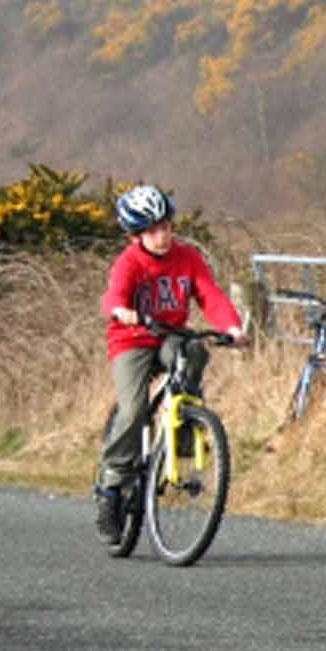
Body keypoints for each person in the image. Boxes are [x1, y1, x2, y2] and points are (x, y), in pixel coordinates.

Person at [95, 183, 244, 537]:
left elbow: (210, 295)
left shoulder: (188, 257)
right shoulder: (129, 262)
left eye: (166, 226)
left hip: (169, 335)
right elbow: (113, 295)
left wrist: (233, 328)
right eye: (152, 230)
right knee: (133, 410)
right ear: (136, 236)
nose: (162, 236)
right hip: (131, 340)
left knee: (194, 349)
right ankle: (111, 485)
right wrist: (121, 310)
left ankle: (184, 427)